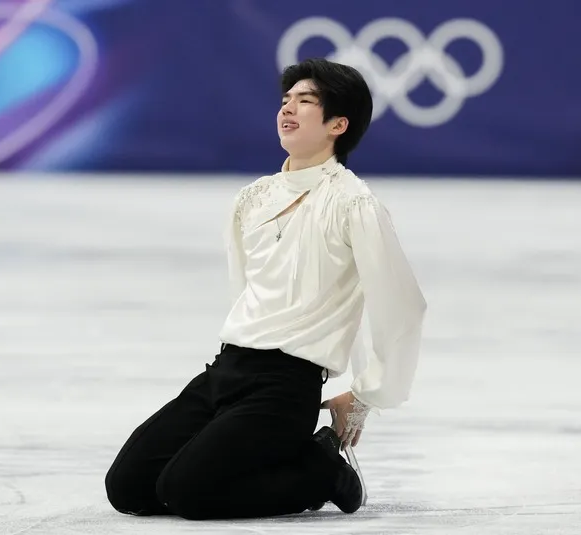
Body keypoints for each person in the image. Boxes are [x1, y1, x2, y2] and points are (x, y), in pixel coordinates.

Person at [104, 57, 427, 520]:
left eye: (306, 101)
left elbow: (402, 307)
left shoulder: (354, 204)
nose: (288, 109)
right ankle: (263, 457)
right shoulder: (253, 198)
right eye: (285, 100)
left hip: (284, 388)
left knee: (189, 492)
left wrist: (365, 393)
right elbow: (248, 292)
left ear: (338, 123)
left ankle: (321, 470)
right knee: (129, 488)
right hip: (225, 371)